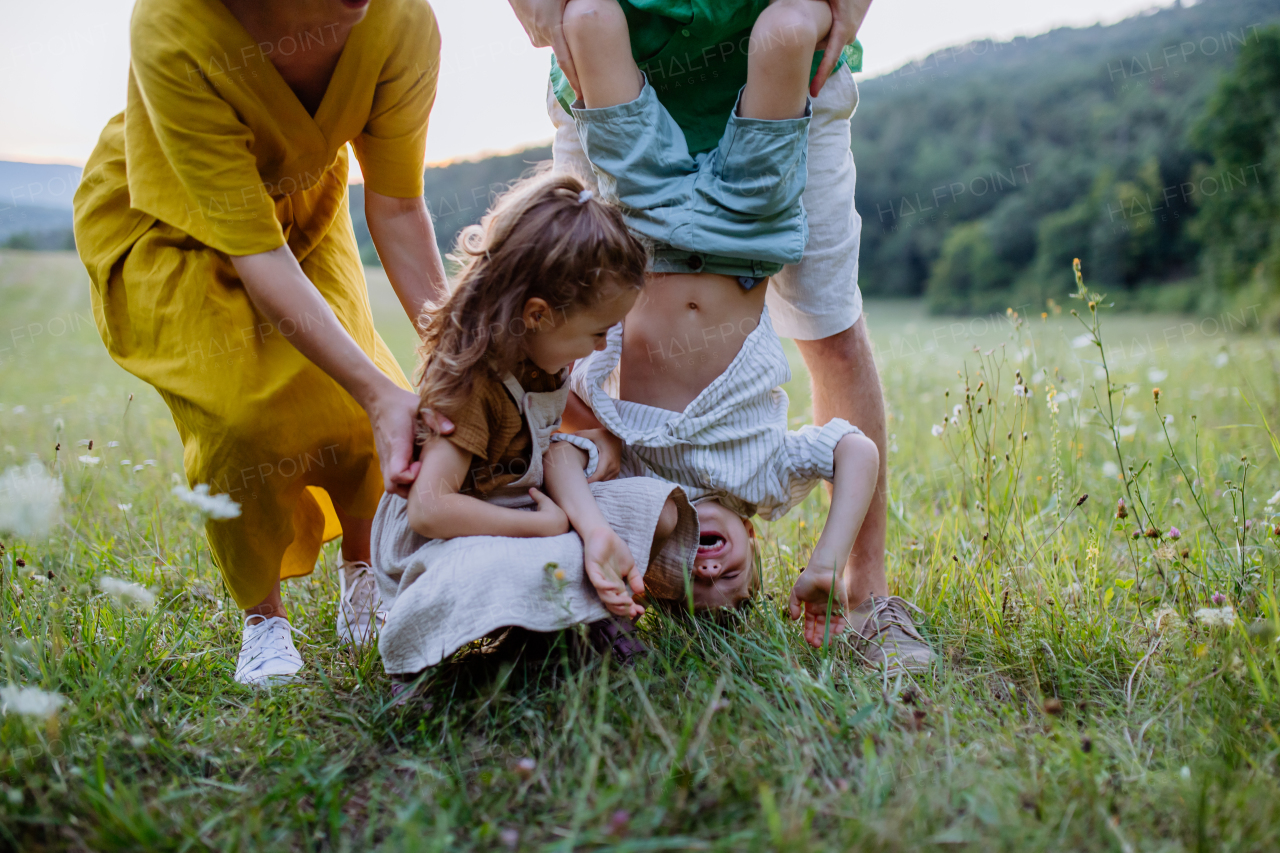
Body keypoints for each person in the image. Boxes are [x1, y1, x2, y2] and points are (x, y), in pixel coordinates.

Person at [509, 0, 934, 670]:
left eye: (689, 580)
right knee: (790, 31)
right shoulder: (765, 481)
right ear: (756, 545)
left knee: (591, 19)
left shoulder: (636, 486)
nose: (708, 568)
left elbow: (563, 456)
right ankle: (862, 594)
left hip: (644, 225)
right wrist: (824, 560)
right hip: (746, 234)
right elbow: (853, 452)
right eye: (729, 582)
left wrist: (597, 531)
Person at [73, 0, 448, 685]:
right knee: (240, 422)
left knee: (355, 399)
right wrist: (378, 391)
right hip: (167, 219)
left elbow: (397, 207)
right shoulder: (171, 24)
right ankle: (263, 619)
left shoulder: (402, 20)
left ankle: (363, 573)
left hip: (302, 206)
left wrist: (462, 357)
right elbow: (257, 253)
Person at [370, 173, 701, 677]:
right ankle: (551, 623)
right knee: (522, 560)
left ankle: (558, 617)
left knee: (656, 513)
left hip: (526, 504)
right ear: (538, 315)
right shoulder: (472, 383)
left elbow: (550, 455)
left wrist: (592, 532)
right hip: (455, 536)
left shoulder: (545, 361)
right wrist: (541, 526)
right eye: (596, 331)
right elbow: (429, 510)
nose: (600, 346)